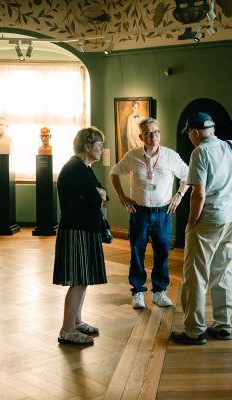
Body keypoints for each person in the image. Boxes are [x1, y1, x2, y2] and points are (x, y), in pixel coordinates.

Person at [170, 112, 232, 345]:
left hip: (207, 221)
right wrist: (230, 203)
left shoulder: (200, 152)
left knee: (195, 276)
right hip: (231, 219)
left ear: (196, 132)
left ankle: (194, 331)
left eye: (189, 133)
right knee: (223, 272)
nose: (189, 138)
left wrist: (191, 222)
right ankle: (223, 326)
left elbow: (199, 194)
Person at [110, 117, 189, 309]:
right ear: (141, 137)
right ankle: (137, 292)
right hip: (139, 212)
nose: (153, 136)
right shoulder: (132, 156)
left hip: (163, 213)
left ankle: (159, 292)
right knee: (137, 253)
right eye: (148, 133)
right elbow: (114, 172)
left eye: (155, 132)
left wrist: (179, 195)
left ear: (159, 133)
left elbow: (188, 175)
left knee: (162, 253)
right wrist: (121, 196)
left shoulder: (170, 156)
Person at [53, 127, 108, 345]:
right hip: (77, 231)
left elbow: (103, 193)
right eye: (99, 145)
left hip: (84, 230)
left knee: (82, 279)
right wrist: (96, 195)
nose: (102, 149)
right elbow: (96, 198)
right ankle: (67, 330)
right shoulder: (76, 168)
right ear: (87, 145)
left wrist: (98, 194)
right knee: (79, 280)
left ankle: (76, 322)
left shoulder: (84, 168)